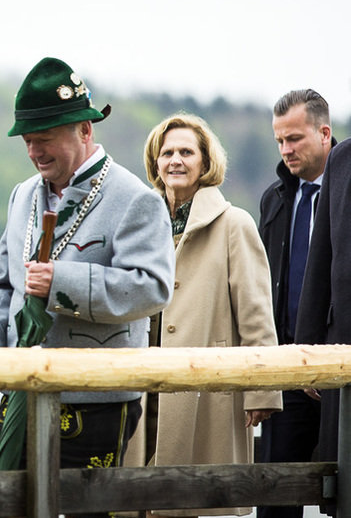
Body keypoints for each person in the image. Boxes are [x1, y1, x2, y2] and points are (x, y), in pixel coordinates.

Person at [0, 57, 175, 496]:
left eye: (44, 139)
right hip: (20, 391)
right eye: (27, 141)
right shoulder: (23, 194)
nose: (34, 152)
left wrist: (60, 281)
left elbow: (152, 288)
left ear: (86, 130)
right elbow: (1, 284)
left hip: (95, 398)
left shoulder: (136, 199)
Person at [129, 113, 282, 518]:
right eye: (166, 153)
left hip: (207, 390)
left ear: (205, 161)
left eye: (186, 152)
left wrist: (263, 389)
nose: (175, 160)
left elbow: (256, 315)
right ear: (155, 162)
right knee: (136, 498)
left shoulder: (235, 224)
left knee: (197, 500)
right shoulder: (140, 223)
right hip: (141, 386)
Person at [257, 90, 333, 518]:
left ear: (324, 133)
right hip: (286, 367)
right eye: (279, 141)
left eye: (295, 139)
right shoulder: (275, 198)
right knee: (276, 492)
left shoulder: (344, 191)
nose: (286, 150)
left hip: (340, 364)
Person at [295, 138, 351, 516]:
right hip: (342, 344)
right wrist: (307, 347)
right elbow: (321, 257)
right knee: (345, 488)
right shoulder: (342, 157)